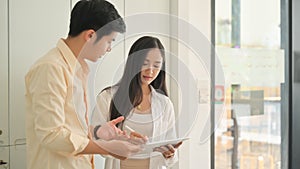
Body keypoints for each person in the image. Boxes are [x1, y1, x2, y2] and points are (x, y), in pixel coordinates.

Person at [25, 1, 146, 169]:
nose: (109, 49)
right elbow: (51, 135)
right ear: (90, 35)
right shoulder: (50, 68)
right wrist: (106, 148)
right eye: (109, 41)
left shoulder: (78, 69)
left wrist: (97, 131)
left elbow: (70, 129)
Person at [91, 36, 182, 169]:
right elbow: (94, 140)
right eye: (145, 63)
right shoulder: (108, 97)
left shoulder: (165, 103)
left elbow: (171, 153)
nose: (150, 71)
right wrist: (120, 141)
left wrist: (169, 154)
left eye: (156, 65)